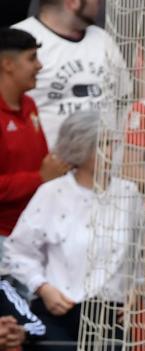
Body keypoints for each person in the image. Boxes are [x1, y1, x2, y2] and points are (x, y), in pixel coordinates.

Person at [7, 110, 138, 351]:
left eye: (113, 143)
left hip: (109, 318)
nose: (111, 151)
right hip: (57, 316)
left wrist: (134, 294)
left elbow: (139, 254)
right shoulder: (51, 193)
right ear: (82, 147)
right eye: (103, 144)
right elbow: (16, 251)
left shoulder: (130, 195)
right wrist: (43, 287)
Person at [14, 0, 130, 150]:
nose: (100, 2)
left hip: (106, 167)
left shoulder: (103, 39)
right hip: (50, 168)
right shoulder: (18, 41)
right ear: (73, 2)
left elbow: (125, 100)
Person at [0, 27, 67, 258]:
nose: (39, 65)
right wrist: (40, 178)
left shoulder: (29, 105)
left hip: (35, 232)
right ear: (8, 64)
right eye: (32, 58)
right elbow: (41, 173)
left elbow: (41, 163)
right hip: (4, 237)